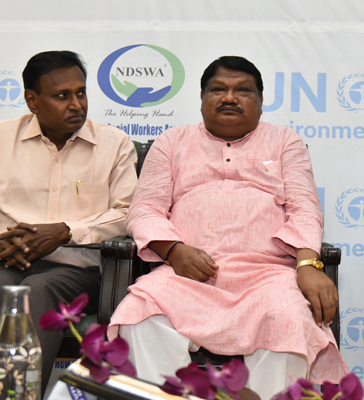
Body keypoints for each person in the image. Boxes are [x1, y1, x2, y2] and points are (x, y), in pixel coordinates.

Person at [109, 56, 348, 400]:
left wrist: (308, 264)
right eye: (218, 89)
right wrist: (173, 251)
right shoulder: (172, 142)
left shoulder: (284, 141)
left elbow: (304, 208)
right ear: (202, 98)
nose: (230, 97)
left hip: (267, 276)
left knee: (290, 319)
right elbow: (144, 209)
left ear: (261, 101)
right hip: (186, 276)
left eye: (243, 90)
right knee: (139, 315)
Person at [0, 50, 138, 395]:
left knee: (37, 290)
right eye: (62, 96)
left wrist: (66, 232)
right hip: (3, 263)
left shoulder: (114, 144)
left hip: (77, 272)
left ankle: (12, 394)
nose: (76, 104)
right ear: (32, 100)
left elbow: (128, 215)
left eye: (81, 93)